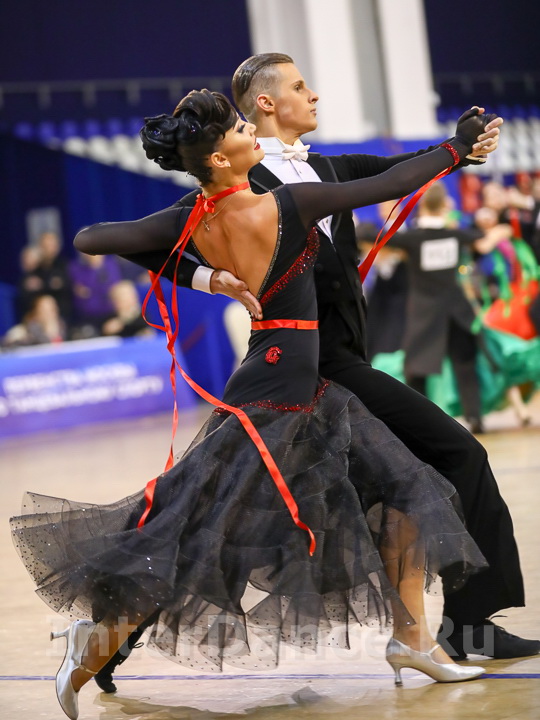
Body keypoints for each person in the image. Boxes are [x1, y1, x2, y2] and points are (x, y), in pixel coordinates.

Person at [11, 90, 491, 720]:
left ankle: (413, 641)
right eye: (242, 129)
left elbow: (92, 237)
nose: (252, 134)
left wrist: (206, 276)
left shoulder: (195, 216)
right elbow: (390, 183)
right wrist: (455, 148)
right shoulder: (288, 203)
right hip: (271, 399)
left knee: (404, 488)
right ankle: (94, 638)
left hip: (297, 388)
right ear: (219, 157)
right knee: (200, 534)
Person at [105, 53, 538, 688]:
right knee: (450, 456)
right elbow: (150, 242)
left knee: (236, 513)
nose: (313, 96)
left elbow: (395, 169)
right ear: (264, 104)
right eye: (300, 86)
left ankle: (445, 631)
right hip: (307, 365)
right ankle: (461, 629)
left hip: (341, 359)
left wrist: (459, 146)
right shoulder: (237, 185)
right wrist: (208, 278)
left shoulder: (324, 169)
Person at [390, 182, 511, 434]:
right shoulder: (455, 235)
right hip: (457, 311)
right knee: (464, 365)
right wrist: (501, 230)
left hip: (425, 314)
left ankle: (417, 424)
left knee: (417, 370)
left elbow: (369, 236)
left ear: (422, 206)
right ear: (444, 205)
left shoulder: (412, 239)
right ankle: (475, 418)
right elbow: (483, 241)